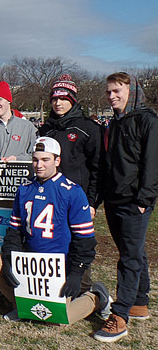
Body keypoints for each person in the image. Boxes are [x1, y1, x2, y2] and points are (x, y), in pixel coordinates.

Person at [0, 137, 111, 324]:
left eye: (45, 160)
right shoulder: (25, 189)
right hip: (30, 261)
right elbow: (15, 230)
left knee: (58, 318)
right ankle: (24, 306)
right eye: (35, 160)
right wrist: (10, 258)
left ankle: (97, 297)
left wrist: (76, 273)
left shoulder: (72, 191)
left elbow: (85, 240)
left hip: (59, 265)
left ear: (57, 161)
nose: (39, 165)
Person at [94, 72, 158, 343]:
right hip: (114, 199)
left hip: (135, 202)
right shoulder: (115, 123)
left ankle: (120, 315)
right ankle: (140, 301)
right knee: (131, 251)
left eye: (117, 91)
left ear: (132, 91)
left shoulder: (148, 121)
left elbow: (152, 164)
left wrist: (144, 200)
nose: (112, 96)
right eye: (109, 92)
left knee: (129, 258)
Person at [39, 74, 103, 294]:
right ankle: (53, 287)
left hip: (78, 198)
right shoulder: (46, 128)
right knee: (54, 240)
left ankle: (84, 289)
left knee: (79, 243)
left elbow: (97, 167)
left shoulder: (88, 127)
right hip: (50, 197)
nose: (58, 103)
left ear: (73, 100)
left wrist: (93, 201)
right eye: (55, 98)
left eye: (64, 98)